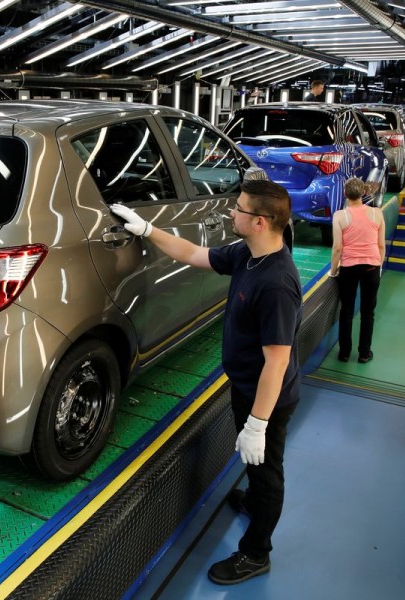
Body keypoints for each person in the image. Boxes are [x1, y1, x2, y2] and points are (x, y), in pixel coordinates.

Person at [110, 179, 302, 586]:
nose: (230, 213)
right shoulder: (248, 254)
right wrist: (146, 230)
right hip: (246, 385)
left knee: (268, 473)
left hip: (267, 398)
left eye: (240, 209)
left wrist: (258, 424)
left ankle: (255, 553)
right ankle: (252, 500)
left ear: (260, 222)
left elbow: (278, 362)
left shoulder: (277, 282)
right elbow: (194, 254)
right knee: (256, 471)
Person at [329, 177, 385, 364]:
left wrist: (333, 270)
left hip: (349, 268)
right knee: (368, 312)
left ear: (345, 194)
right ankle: (364, 353)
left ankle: (344, 352)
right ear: (363, 193)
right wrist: (379, 265)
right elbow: (381, 245)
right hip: (371, 267)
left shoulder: (340, 216)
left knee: (346, 310)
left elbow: (337, 247)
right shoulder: (377, 214)